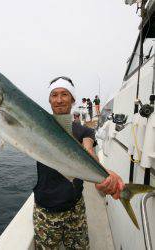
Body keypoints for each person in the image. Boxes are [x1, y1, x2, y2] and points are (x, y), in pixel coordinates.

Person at [33, 76, 124, 249]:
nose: (59, 100)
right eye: (54, 95)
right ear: (49, 99)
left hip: (75, 208)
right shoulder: (39, 125)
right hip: (45, 210)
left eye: (64, 94)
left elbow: (89, 151)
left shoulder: (83, 131)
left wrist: (105, 174)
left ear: (73, 99)